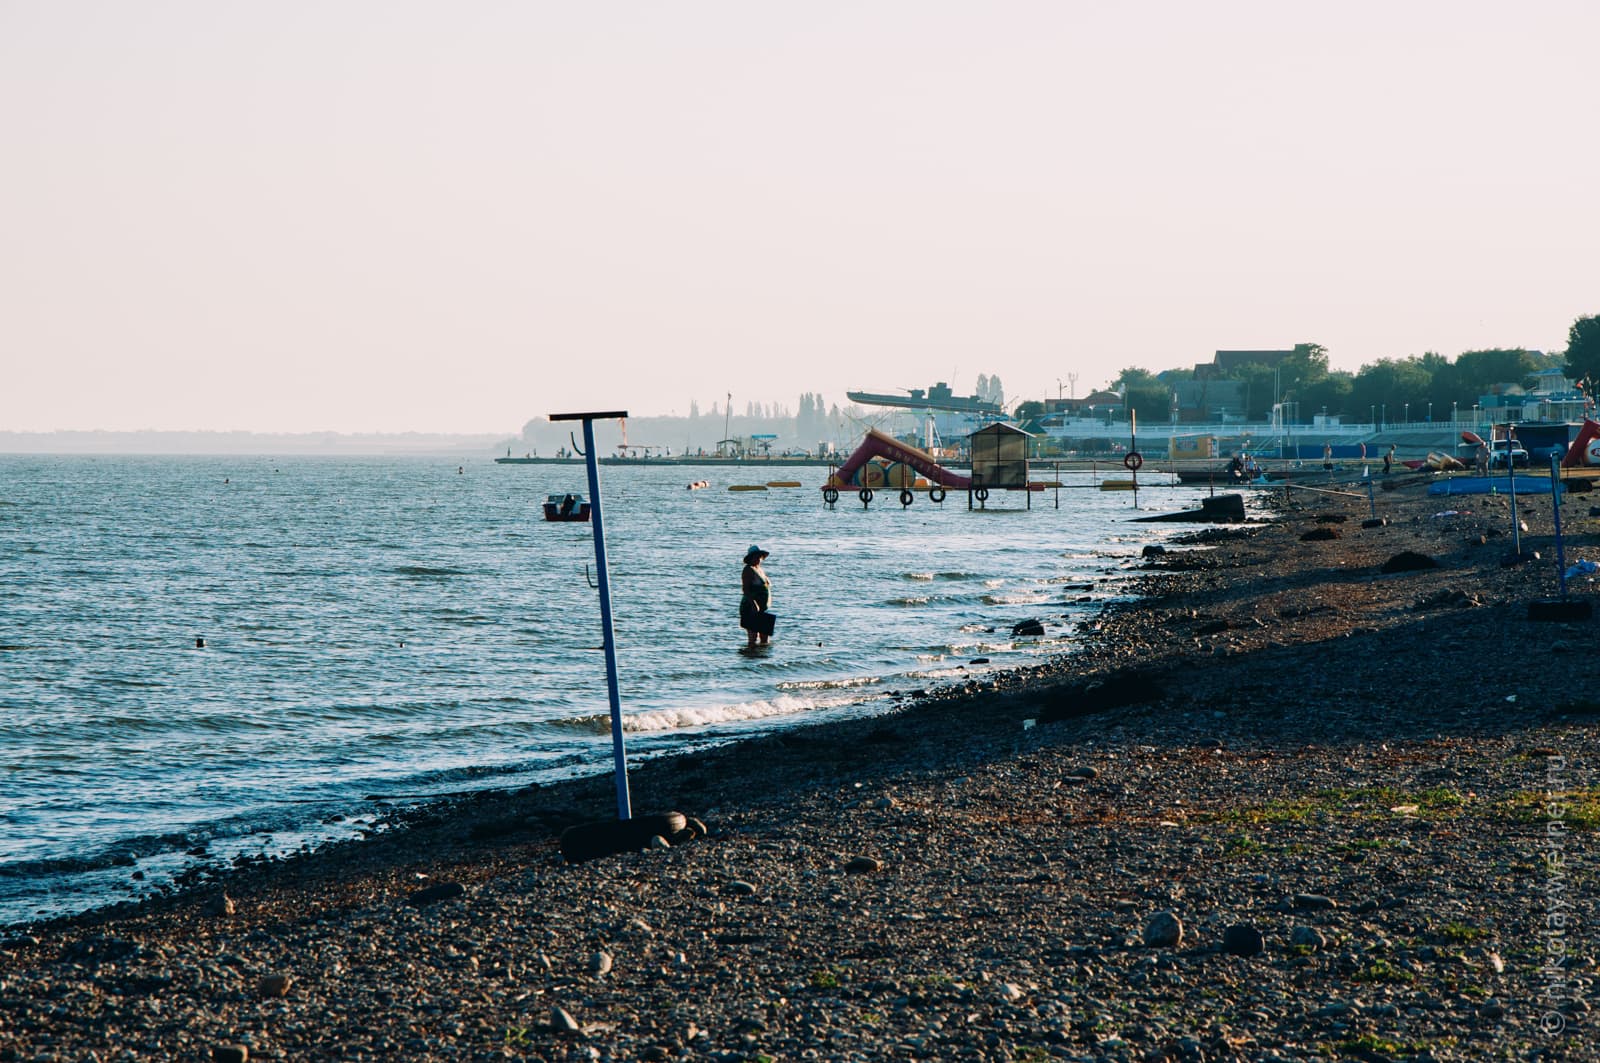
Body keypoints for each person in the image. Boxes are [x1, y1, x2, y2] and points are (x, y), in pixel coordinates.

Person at [740, 544, 773, 646]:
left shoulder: (759, 569)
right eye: (755, 557)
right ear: (750, 558)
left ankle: (761, 659)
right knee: (753, 638)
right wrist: (754, 604)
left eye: (759, 557)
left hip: (762, 608)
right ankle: (751, 658)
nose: (758, 559)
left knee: (765, 639)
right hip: (751, 607)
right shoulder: (748, 569)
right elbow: (745, 589)